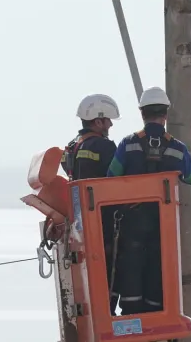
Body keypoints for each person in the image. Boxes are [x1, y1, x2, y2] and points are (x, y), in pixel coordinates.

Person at [106, 86, 191, 315]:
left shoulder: (128, 144)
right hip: (164, 227)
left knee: (131, 267)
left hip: (131, 223)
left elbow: (111, 178)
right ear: (165, 114)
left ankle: (131, 315)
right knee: (158, 269)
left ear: (142, 113)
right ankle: (156, 317)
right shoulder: (177, 149)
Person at [60, 93, 121, 316]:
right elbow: (119, 179)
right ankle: (107, 313)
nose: (111, 124)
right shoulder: (103, 147)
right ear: (97, 121)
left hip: (82, 221)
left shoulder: (72, 147)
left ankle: (97, 312)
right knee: (111, 270)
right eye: (108, 121)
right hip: (104, 220)